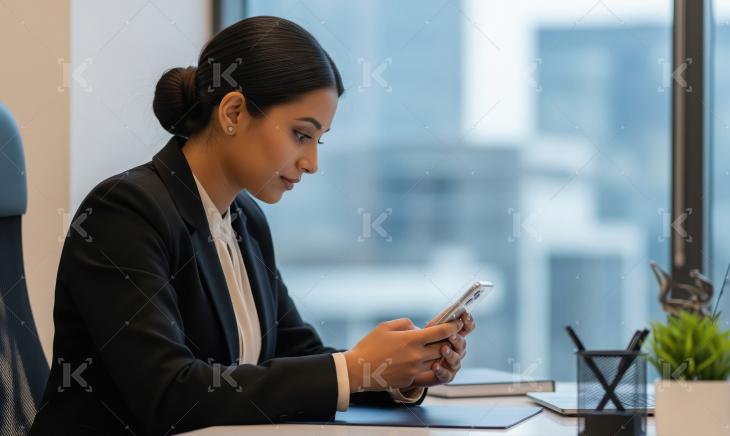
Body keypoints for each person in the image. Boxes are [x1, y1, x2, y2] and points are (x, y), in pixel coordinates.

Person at [29, 16, 475, 435]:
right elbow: (169, 394)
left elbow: (296, 356)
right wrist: (354, 367)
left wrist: (397, 371)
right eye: (301, 134)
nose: (312, 163)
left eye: (319, 141)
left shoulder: (244, 221)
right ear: (234, 112)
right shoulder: (125, 212)